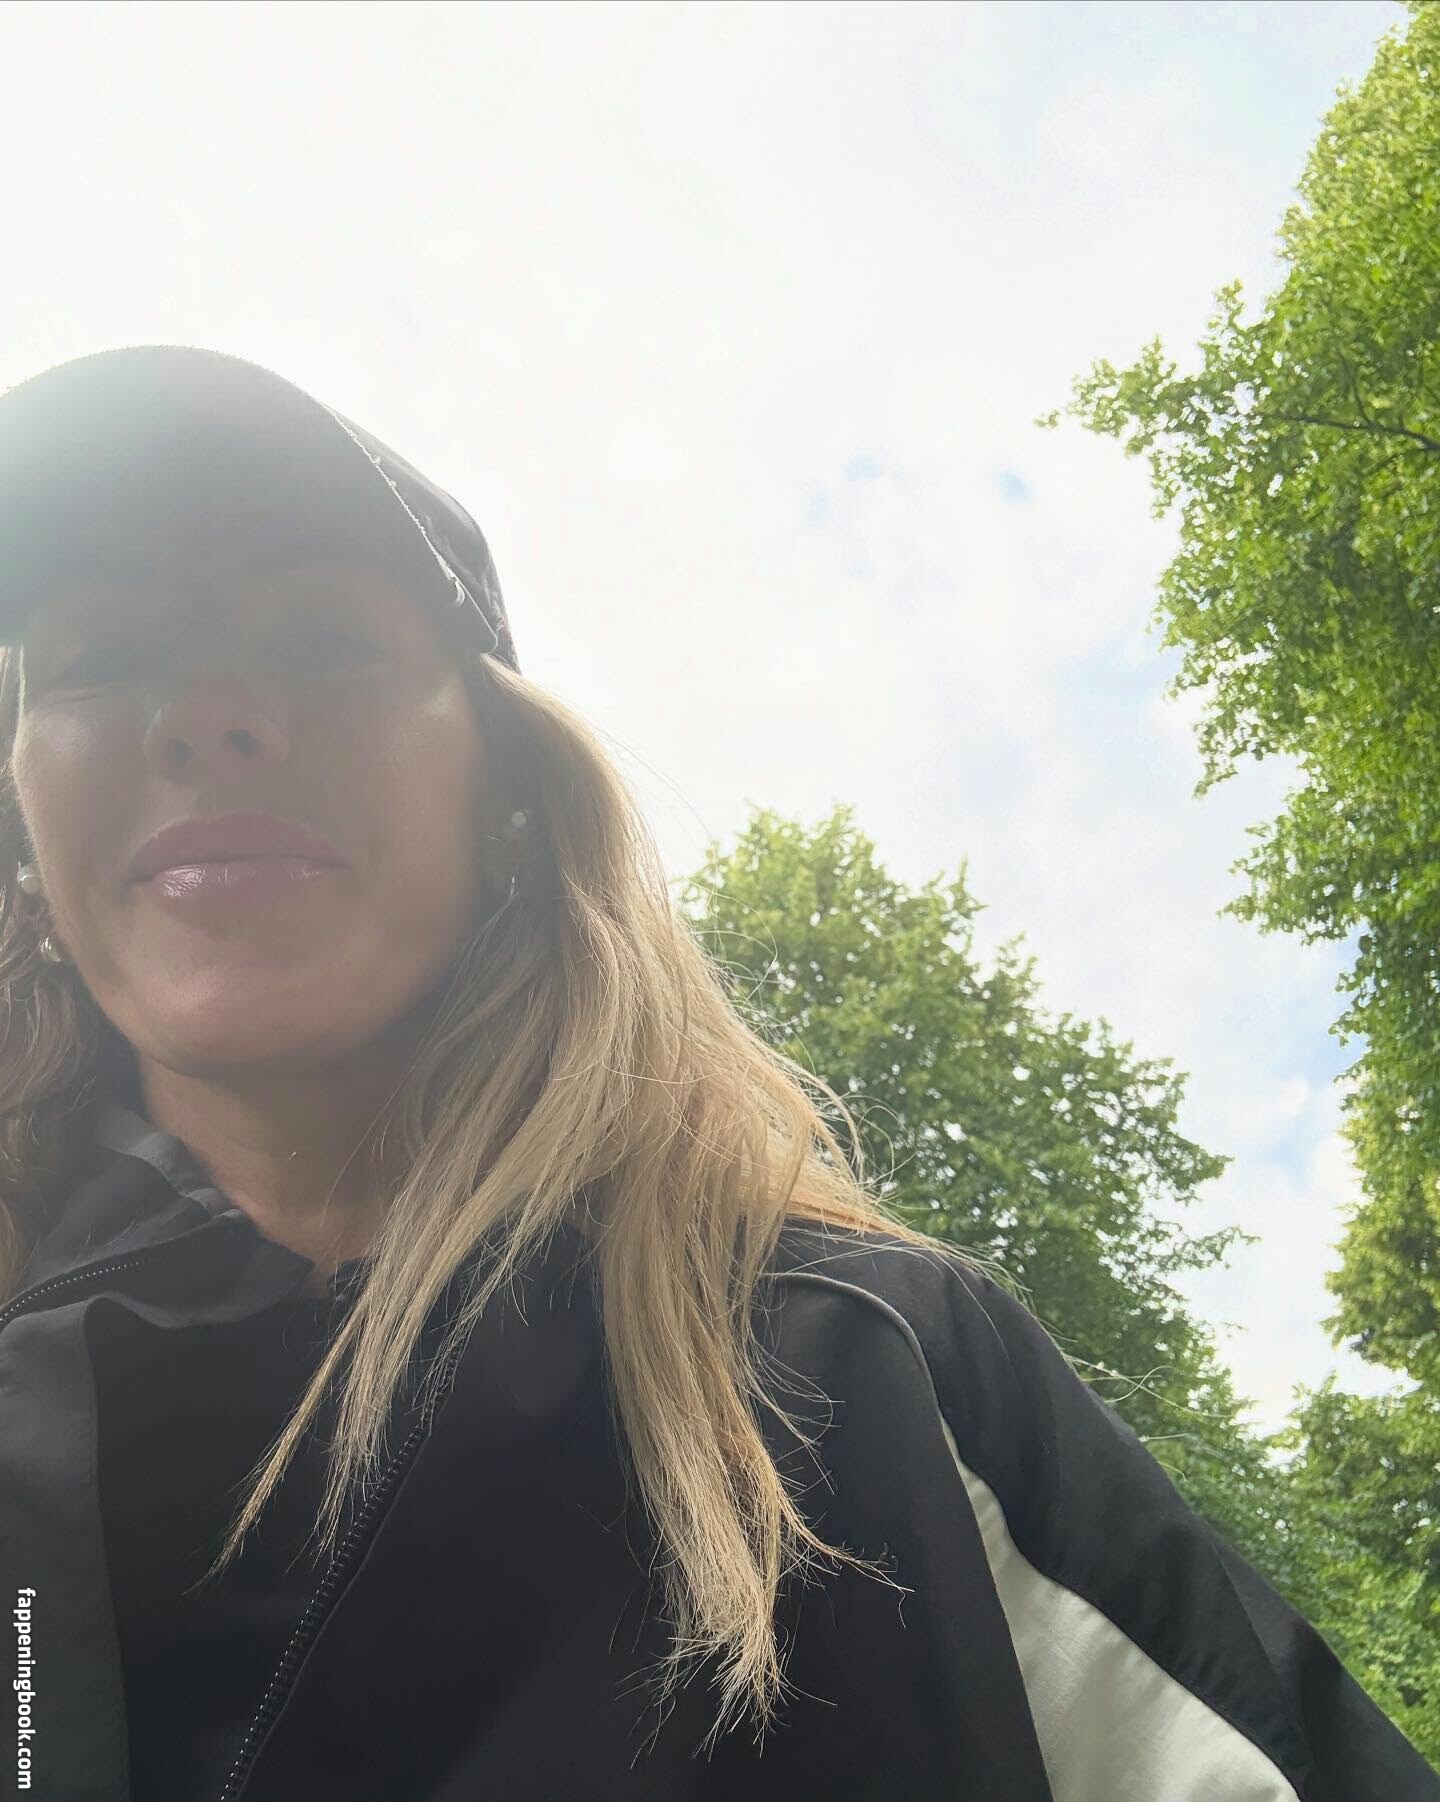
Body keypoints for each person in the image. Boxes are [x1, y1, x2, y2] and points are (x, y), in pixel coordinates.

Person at [0, 345, 1431, 1802]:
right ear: (30, 837)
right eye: (100, 657)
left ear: (505, 794)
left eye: (322, 638)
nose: (205, 714)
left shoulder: (870, 1370)